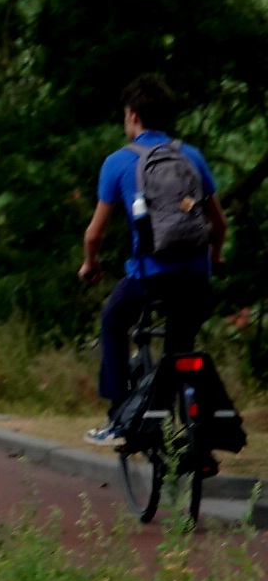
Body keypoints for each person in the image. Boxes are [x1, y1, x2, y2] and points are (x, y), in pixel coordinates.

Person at [78, 75, 226, 445]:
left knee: (113, 320)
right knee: (181, 348)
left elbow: (94, 234)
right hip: (195, 277)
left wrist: (89, 264)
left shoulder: (117, 162)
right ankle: (194, 434)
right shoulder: (191, 156)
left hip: (150, 277)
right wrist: (215, 258)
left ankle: (119, 416)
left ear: (132, 117)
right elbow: (218, 223)